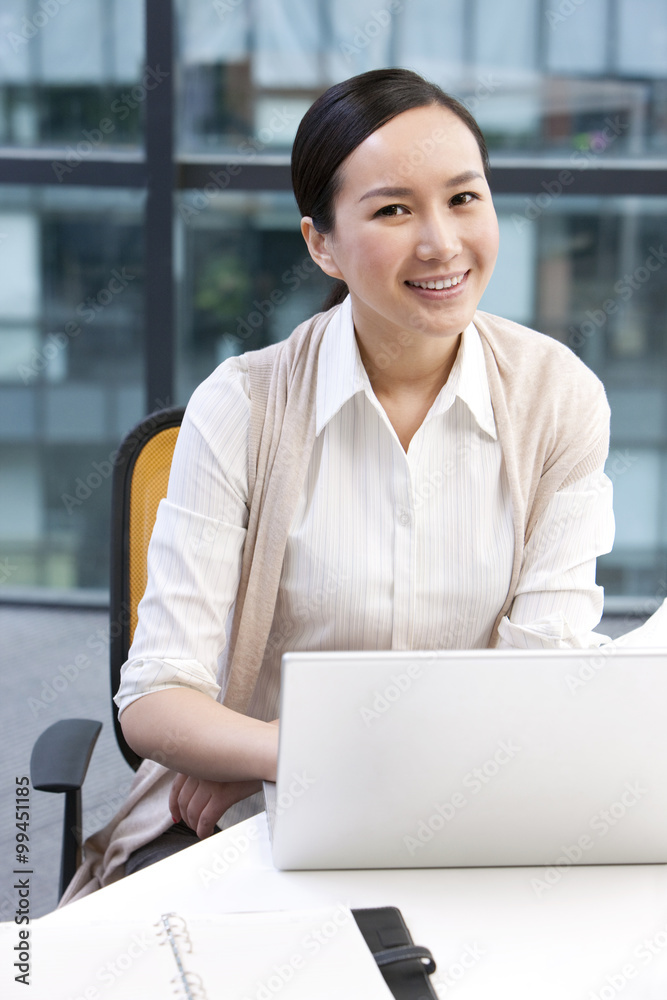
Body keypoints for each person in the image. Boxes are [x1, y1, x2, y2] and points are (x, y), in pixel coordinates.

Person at [61, 68, 616, 900]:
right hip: (246, 813)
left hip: (476, 806)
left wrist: (312, 756)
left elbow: (535, 681)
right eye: (393, 209)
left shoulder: (556, 396)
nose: (440, 243)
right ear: (321, 242)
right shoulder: (244, 405)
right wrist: (278, 759)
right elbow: (155, 699)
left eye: (464, 198)